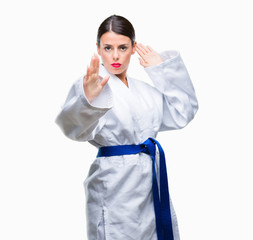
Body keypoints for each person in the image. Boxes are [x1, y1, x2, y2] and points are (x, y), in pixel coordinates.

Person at [56, 14, 198, 240]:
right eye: (108, 47)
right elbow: (72, 127)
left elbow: (183, 112)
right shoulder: (91, 85)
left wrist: (163, 70)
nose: (115, 56)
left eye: (122, 47)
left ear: (133, 47)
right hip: (114, 182)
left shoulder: (145, 91)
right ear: (98, 48)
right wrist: (89, 100)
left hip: (150, 178)